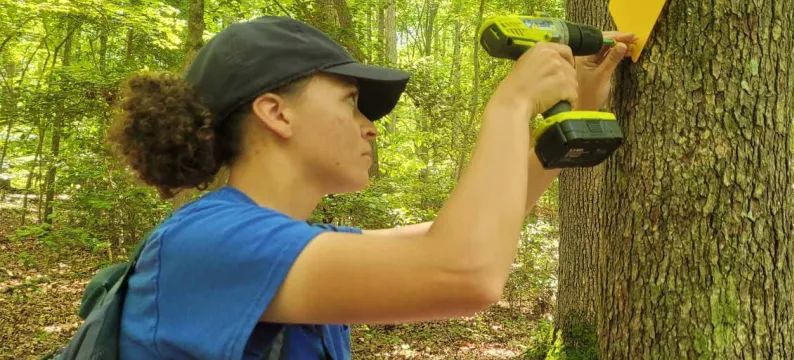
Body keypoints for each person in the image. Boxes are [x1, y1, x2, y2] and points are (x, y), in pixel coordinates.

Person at [109, 15, 635, 360]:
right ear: (275, 112)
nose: (370, 126)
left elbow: (454, 236)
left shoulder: (286, 241)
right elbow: (463, 272)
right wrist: (511, 103)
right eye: (350, 101)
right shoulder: (208, 240)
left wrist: (573, 121)